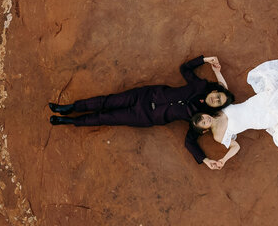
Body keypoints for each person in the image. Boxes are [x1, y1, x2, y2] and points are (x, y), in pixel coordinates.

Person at [48, 55, 234, 164]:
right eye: (218, 95)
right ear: (214, 90)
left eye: (218, 102)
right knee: (106, 101)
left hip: (144, 116)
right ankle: (70, 107)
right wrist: (205, 59)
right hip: (145, 95)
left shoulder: (200, 118)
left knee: (108, 117)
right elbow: (185, 69)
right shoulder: (199, 86)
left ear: (215, 107)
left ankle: (71, 121)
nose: (215, 99)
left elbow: (190, 142)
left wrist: (205, 160)